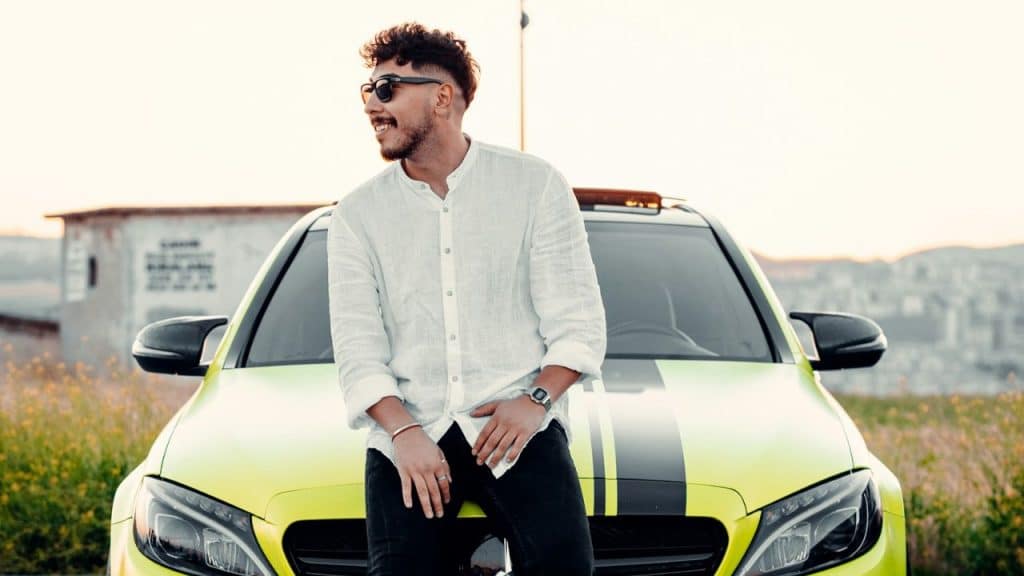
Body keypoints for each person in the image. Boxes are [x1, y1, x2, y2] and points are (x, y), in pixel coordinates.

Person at [327, 22, 606, 576]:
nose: (370, 106)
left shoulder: (535, 186)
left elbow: (578, 324)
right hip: (409, 430)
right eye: (368, 91)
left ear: (443, 96)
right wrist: (403, 432)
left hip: (517, 426)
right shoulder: (357, 216)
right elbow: (358, 350)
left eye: (388, 89)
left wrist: (537, 404)